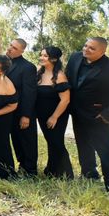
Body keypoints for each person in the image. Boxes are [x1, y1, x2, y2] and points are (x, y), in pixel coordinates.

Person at [65, 37, 109, 192]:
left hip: (98, 116)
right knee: (83, 145)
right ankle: (89, 175)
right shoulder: (75, 57)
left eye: (92, 48)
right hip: (76, 111)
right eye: (85, 45)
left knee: (106, 150)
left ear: (103, 51)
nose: (86, 49)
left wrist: (107, 115)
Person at [36, 46, 73, 179]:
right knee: (50, 142)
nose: (41, 58)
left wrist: (54, 117)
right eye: (41, 55)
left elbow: (65, 100)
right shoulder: (38, 73)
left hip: (57, 115)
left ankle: (66, 174)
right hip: (42, 115)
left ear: (54, 59)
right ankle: (51, 171)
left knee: (56, 142)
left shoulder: (60, 76)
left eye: (45, 56)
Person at [6, 38, 38, 176]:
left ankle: (30, 171)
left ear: (22, 51)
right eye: (10, 45)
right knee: (16, 140)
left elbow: (29, 93)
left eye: (14, 48)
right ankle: (21, 166)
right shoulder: (3, 63)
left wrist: (26, 115)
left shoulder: (28, 67)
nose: (9, 48)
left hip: (22, 111)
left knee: (27, 141)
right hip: (7, 111)